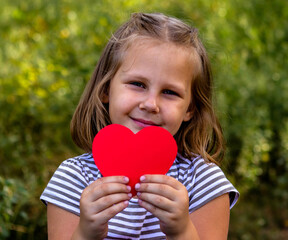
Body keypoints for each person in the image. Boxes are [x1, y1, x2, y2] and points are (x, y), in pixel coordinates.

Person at [40, 12, 239, 240]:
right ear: (106, 90)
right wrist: (86, 232)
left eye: (169, 92)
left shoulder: (203, 182)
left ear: (190, 109)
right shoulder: (73, 178)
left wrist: (182, 230)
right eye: (137, 84)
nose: (150, 104)